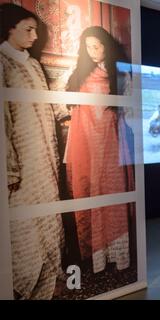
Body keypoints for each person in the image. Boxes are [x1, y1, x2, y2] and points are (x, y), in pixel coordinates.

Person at [0, 3, 68, 299]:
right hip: (22, 164)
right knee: (24, 226)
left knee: (47, 218)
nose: (34, 35)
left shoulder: (33, 64)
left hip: (45, 157)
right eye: (28, 29)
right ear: (9, 29)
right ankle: (23, 285)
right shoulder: (2, 62)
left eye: (36, 29)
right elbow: (2, 118)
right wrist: (10, 167)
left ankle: (48, 282)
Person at [65, 26, 134, 274]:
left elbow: (129, 112)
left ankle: (118, 256)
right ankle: (97, 257)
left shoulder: (120, 75)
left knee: (113, 197)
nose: (94, 51)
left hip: (112, 144)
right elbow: (74, 112)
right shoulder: (79, 76)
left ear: (107, 45)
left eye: (99, 45)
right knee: (90, 195)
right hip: (87, 147)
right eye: (89, 46)